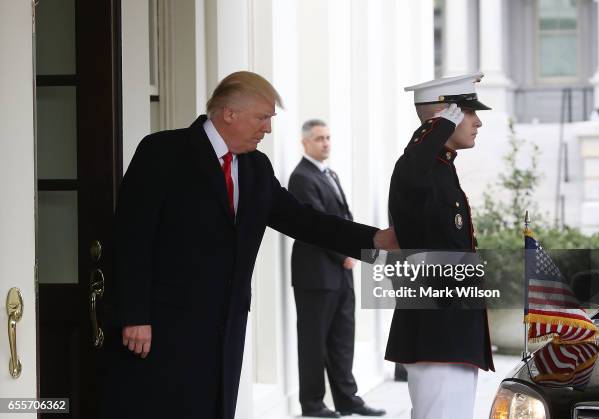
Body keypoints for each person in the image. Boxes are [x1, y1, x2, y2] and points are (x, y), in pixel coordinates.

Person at [99, 71, 398, 419]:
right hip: (163, 328)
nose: (268, 128)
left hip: (226, 328)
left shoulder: (256, 167)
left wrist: (374, 239)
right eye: (263, 117)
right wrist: (136, 315)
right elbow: (132, 237)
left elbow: (303, 220)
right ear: (229, 113)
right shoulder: (163, 151)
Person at [385, 72, 495, 419]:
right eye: (468, 112)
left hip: (451, 331)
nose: (477, 122)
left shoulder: (442, 170)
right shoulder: (418, 169)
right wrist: (437, 128)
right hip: (436, 331)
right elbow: (412, 171)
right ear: (445, 117)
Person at [288, 120, 386, 418]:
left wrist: (352, 252)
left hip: (342, 270)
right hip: (315, 274)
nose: (326, 143)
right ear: (305, 143)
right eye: (319, 139)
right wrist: (344, 252)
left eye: (329, 137)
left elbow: (342, 216)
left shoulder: (329, 173)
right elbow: (313, 225)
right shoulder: (301, 177)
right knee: (313, 342)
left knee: (342, 338)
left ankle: (347, 399)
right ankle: (312, 404)